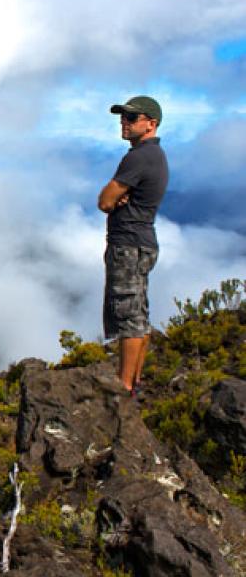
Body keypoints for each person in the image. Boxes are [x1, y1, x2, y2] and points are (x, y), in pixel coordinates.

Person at [97, 95, 168, 395]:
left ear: (150, 124)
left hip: (129, 244)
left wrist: (116, 199)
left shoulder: (138, 157)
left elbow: (104, 201)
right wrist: (119, 197)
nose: (123, 123)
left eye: (131, 118)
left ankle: (124, 386)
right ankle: (134, 379)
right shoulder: (154, 156)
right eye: (123, 117)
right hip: (142, 243)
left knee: (128, 314)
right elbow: (114, 197)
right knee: (139, 311)